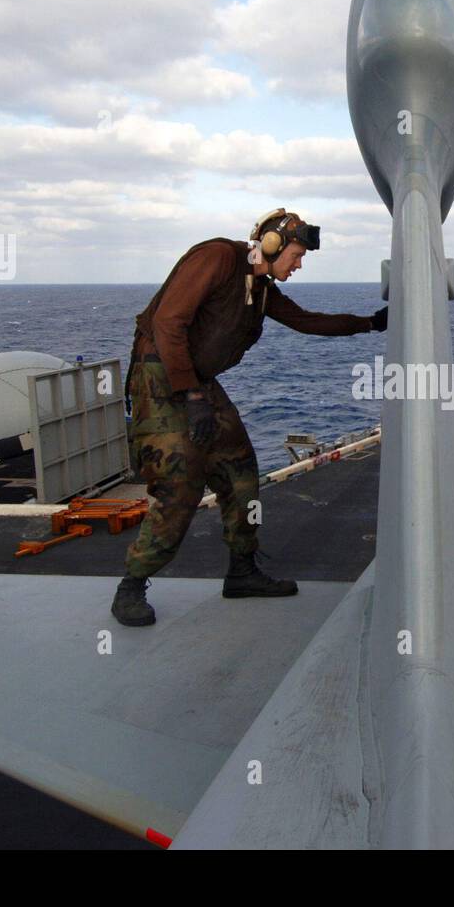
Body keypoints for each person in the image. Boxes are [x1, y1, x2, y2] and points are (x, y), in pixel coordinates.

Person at [112, 208, 388, 627]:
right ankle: (131, 585)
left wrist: (369, 324)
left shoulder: (259, 288)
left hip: (196, 382)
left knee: (240, 471)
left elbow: (306, 321)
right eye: (296, 256)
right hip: (161, 377)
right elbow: (169, 322)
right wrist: (190, 395)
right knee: (180, 484)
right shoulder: (218, 258)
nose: (297, 265)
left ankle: (242, 571)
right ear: (273, 244)